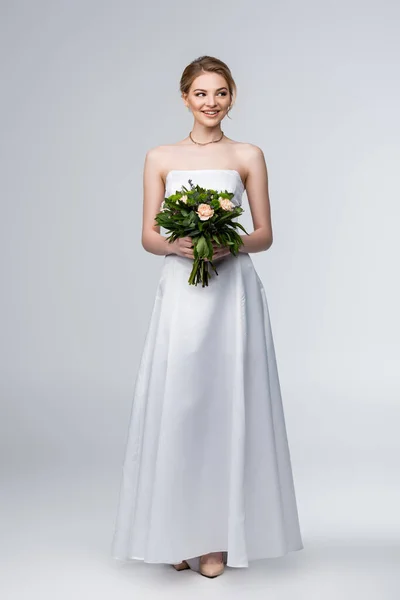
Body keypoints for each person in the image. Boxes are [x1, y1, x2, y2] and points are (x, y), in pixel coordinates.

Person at [111, 55, 304, 579]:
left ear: (233, 96)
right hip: (182, 291)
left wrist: (225, 243)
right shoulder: (159, 156)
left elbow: (264, 232)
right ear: (184, 98)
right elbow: (149, 234)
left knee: (226, 405)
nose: (211, 102)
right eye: (201, 93)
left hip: (231, 291)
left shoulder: (248, 154)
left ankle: (217, 538)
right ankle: (173, 530)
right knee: (179, 405)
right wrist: (181, 246)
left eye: (220, 93)